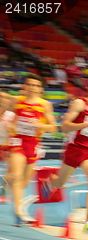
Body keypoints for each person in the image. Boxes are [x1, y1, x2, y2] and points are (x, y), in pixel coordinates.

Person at [45, 77, 88, 234]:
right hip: (74, 149)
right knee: (59, 184)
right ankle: (50, 181)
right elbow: (65, 127)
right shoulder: (80, 104)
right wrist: (85, 125)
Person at [0, 74, 57, 225]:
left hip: (33, 144)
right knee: (17, 176)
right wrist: (11, 125)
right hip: (17, 141)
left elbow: (53, 127)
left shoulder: (45, 105)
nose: (32, 88)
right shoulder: (17, 100)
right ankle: (19, 210)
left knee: (24, 182)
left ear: (41, 89)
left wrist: (39, 126)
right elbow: (6, 108)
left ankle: (6, 181)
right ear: (25, 87)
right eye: (30, 85)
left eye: (36, 86)